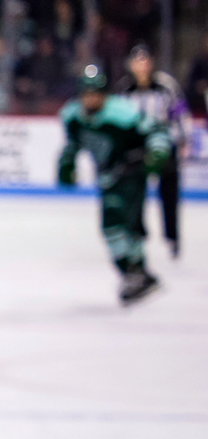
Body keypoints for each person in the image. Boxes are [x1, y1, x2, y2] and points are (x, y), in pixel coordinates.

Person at [60, 64, 174, 305]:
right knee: (128, 226)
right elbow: (72, 144)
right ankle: (139, 272)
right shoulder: (73, 117)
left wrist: (157, 153)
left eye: (96, 94)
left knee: (113, 223)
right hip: (108, 176)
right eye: (87, 94)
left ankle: (130, 273)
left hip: (132, 172)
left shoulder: (122, 115)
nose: (91, 99)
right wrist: (66, 164)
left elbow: (156, 130)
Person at [116, 44, 186, 259]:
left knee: (169, 195)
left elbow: (180, 114)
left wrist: (180, 140)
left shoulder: (166, 86)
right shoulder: (125, 90)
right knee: (135, 195)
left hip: (165, 148)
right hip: (137, 149)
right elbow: (118, 120)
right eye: (137, 60)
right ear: (130, 64)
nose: (142, 65)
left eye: (145, 60)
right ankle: (138, 235)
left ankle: (172, 238)